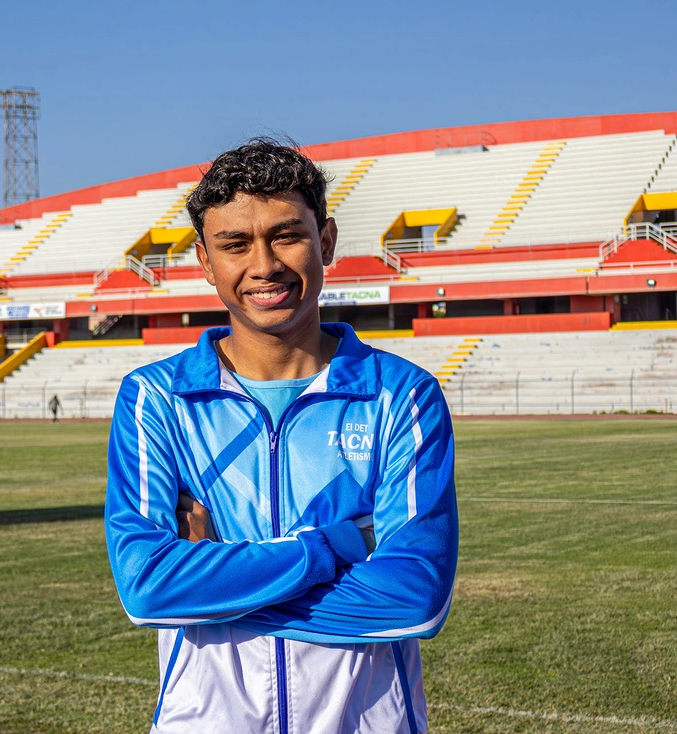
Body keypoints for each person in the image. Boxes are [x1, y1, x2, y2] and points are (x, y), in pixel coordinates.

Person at [105, 139, 457, 733]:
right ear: (204, 261)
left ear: (327, 241)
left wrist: (213, 577)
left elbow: (414, 598)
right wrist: (335, 547)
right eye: (235, 244)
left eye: (286, 236)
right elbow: (148, 588)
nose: (264, 265)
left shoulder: (401, 395)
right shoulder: (156, 400)